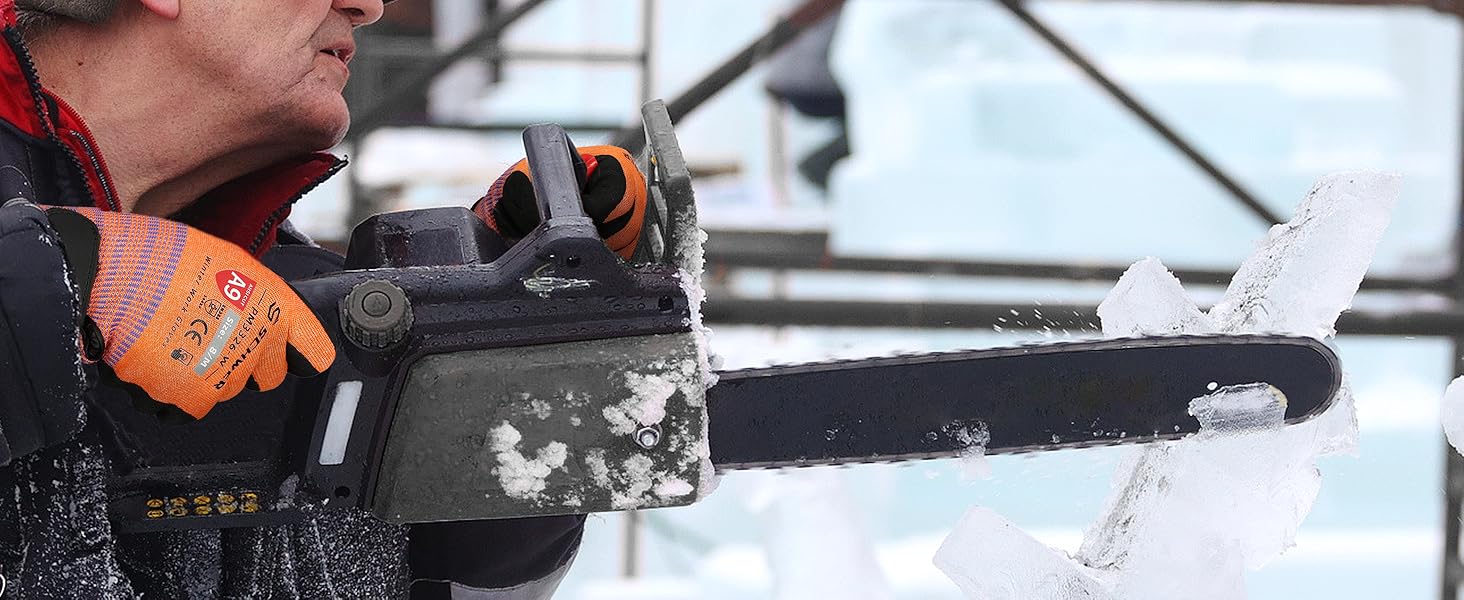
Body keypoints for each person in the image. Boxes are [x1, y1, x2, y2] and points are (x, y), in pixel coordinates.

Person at [0, 0, 647, 597]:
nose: (368, 6)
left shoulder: (276, 283)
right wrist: (56, 270)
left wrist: (495, 347)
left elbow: (454, 588)